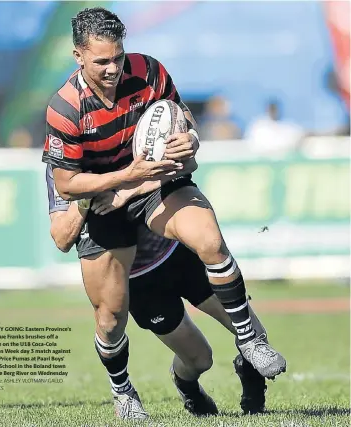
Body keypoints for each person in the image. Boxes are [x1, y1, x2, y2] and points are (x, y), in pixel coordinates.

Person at [42, 7, 286, 418]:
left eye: (117, 57)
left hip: (151, 193)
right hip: (108, 218)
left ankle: (250, 346)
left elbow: (184, 136)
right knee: (114, 318)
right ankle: (124, 391)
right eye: (101, 60)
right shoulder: (66, 110)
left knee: (209, 240)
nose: (112, 69)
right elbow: (67, 193)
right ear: (78, 55)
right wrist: (119, 183)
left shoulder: (149, 72)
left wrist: (187, 141)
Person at [46, 164, 272, 418]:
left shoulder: (132, 132)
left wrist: (127, 188)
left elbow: (178, 171)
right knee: (201, 359)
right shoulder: (64, 164)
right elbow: (62, 238)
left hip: (178, 254)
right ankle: (187, 387)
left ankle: (252, 384)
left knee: (255, 332)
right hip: (142, 283)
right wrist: (85, 197)